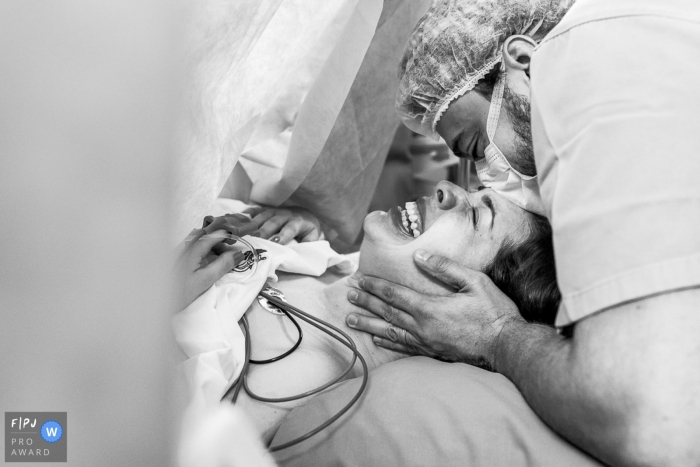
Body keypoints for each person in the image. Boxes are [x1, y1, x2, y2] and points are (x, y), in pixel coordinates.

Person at [347, 0, 700, 465]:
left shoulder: (592, 77)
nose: (469, 182)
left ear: (523, 62)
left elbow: (657, 429)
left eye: (473, 146)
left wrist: (497, 335)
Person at [176, 181, 559, 444]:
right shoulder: (323, 258)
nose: (448, 189)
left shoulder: (289, 385)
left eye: (476, 217)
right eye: (475, 191)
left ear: (466, 305)